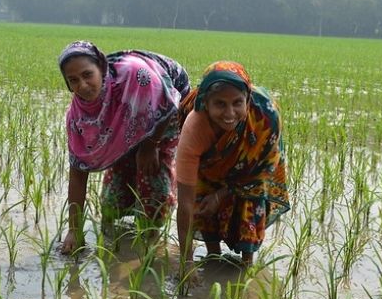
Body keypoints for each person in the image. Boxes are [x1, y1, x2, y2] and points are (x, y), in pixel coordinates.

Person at [58, 40, 190, 255]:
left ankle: (150, 240)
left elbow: (167, 104)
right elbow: (77, 173)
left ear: (101, 67)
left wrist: (150, 146)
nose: (82, 85)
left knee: (152, 179)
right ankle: (117, 237)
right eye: (73, 80)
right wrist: (74, 231)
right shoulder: (77, 118)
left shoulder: (134, 73)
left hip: (166, 104)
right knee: (112, 200)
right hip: (127, 110)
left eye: (87, 75)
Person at [176, 61, 289, 270]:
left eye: (237, 103)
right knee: (202, 199)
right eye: (220, 104)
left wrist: (222, 194)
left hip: (251, 169)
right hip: (208, 169)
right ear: (206, 103)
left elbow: (264, 169)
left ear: (248, 101)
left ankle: (246, 267)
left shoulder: (265, 115)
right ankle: (213, 256)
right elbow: (185, 204)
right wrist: (186, 265)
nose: (229, 113)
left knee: (252, 198)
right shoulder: (194, 128)